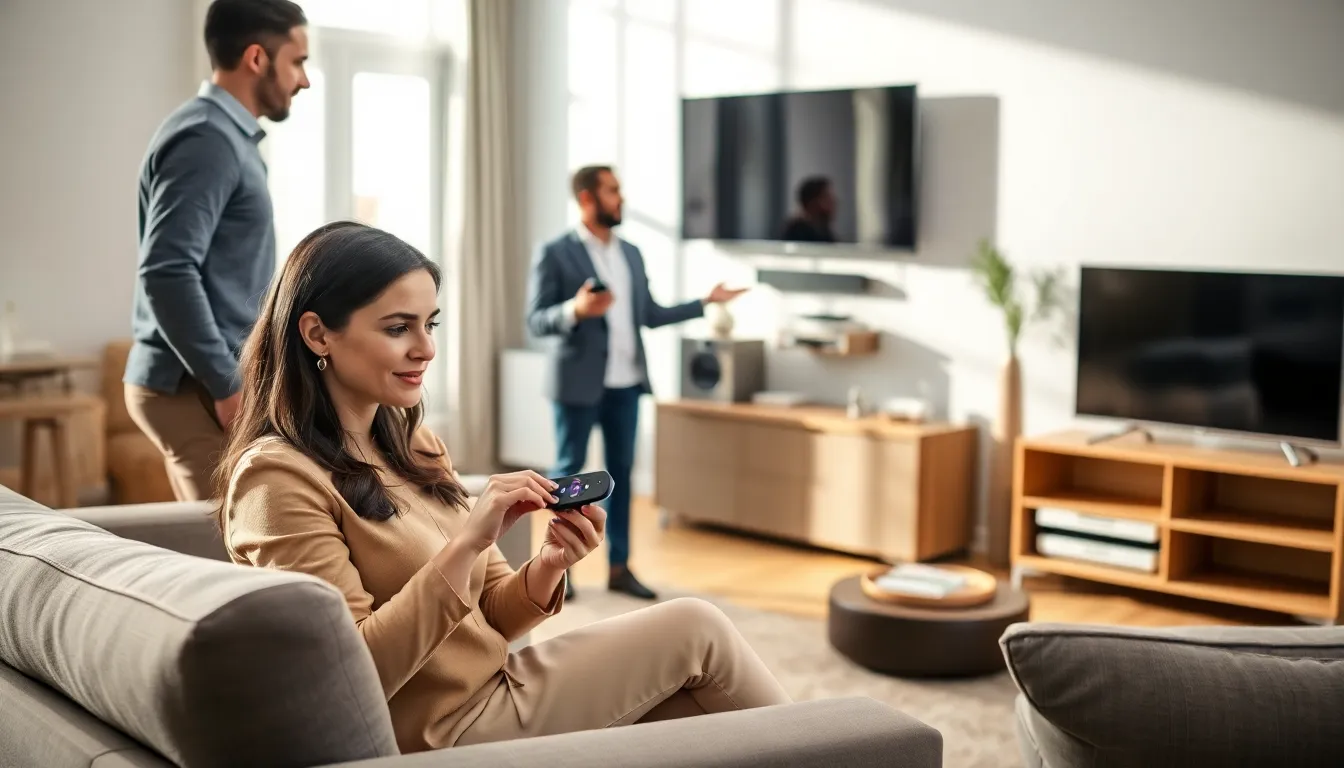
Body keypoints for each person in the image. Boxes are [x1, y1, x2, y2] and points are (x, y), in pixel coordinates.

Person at [216, 221, 791, 753]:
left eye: (430, 324)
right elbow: (350, 676)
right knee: (695, 627)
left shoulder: (414, 445)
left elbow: (494, 616)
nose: (427, 348)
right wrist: (466, 542)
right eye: (398, 328)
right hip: (440, 732)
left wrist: (548, 563)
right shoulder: (278, 479)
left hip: (497, 686)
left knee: (707, 717)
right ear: (317, 334)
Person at [526, 165, 747, 601]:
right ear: (587, 199)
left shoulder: (631, 253)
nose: (620, 198)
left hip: (626, 384)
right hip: (577, 383)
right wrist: (575, 310)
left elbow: (650, 313)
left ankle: (620, 567)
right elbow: (535, 320)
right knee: (569, 477)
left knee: (620, 476)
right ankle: (561, 568)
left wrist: (704, 302)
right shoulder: (555, 252)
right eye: (612, 191)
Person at [124, 0, 310, 501]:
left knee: (227, 554)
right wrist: (226, 384)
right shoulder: (207, 138)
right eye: (298, 62)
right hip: (194, 387)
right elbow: (167, 270)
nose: (304, 80)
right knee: (226, 562)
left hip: (201, 383)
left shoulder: (226, 137)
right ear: (257, 58)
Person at [781, 176, 838, 243]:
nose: (833, 203)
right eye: (827, 198)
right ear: (812, 202)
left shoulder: (824, 232)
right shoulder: (797, 232)